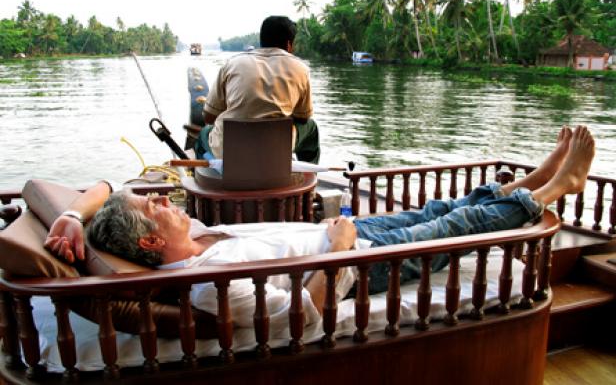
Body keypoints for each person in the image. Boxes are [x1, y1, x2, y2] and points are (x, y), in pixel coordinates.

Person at [45, 125, 595, 328]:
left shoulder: (193, 240)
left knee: (435, 211)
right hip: (356, 265)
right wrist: (337, 253)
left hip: (350, 240)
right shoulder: (209, 285)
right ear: (149, 242)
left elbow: (91, 188)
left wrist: (72, 214)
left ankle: (525, 185)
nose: (165, 198)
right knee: (460, 225)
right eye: (154, 207)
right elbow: (299, 320)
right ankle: (550, 192)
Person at [195, 15, 320, 164]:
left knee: (202, 134)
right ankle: (308, 180)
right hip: (276, 148)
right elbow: (304, 118)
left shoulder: (232, 64)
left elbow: (209, 117)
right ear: (289, 45)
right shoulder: (301, 69)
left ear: (262, 40)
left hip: (229, 148)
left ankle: (207, 181)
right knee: (311, 128)